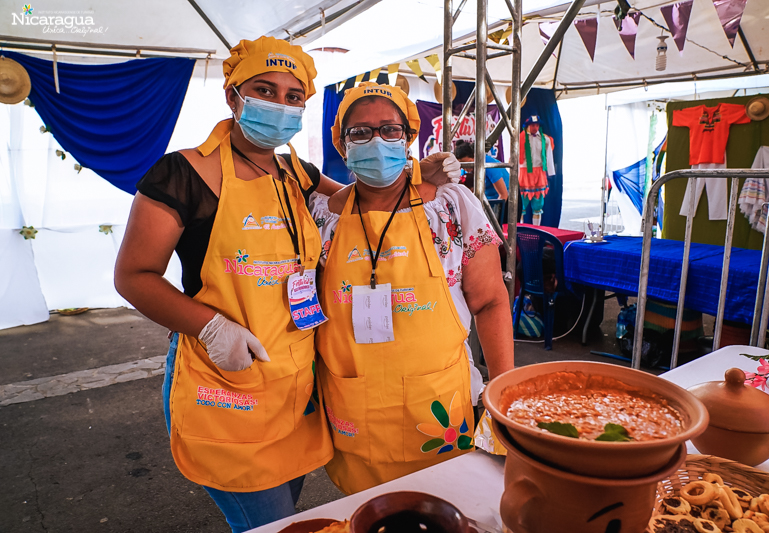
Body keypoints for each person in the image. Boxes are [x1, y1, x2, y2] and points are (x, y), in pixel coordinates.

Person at [114, 37, 461, 531]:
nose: (280, 105)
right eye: (264, 89)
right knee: (269, 525)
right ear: (233, 96)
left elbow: (359, 202)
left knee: (289, 514)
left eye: (293, 96)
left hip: (297, 391)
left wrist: (416, 176)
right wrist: (212, 328)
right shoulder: (184, 173)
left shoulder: (294, 172)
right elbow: (132, 276)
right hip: (227, 383)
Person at [309, 82, 514, 495]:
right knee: (369, 515)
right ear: (341, 143)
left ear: (408, 138)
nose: (377, 140)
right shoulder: (321, 218)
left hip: (439, 409)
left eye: (390, 129)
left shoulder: (451, 206)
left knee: (449, 511)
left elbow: (491, 300)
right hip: (354, 410)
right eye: (360, 132)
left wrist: (504, 390)